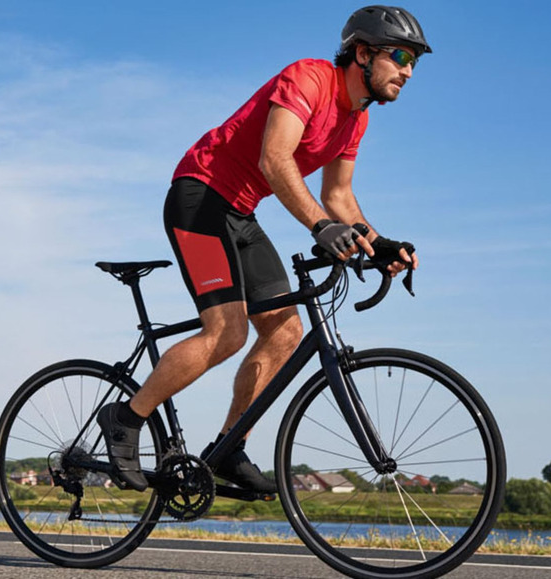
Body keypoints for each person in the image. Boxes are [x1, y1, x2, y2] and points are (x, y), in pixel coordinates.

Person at [98, 5, 429, 493]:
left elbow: (339, 196)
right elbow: (273, 158)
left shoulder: (355, 120)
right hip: (200, 195)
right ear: (362, 53)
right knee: (227, 332)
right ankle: (126, 418)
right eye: (400, 55)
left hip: (241, 212)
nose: (406, 70)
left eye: (414, 62)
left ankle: (230, 446)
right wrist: (319, 226)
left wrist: (377, 244)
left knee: (284, 331)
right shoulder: (309, 79)